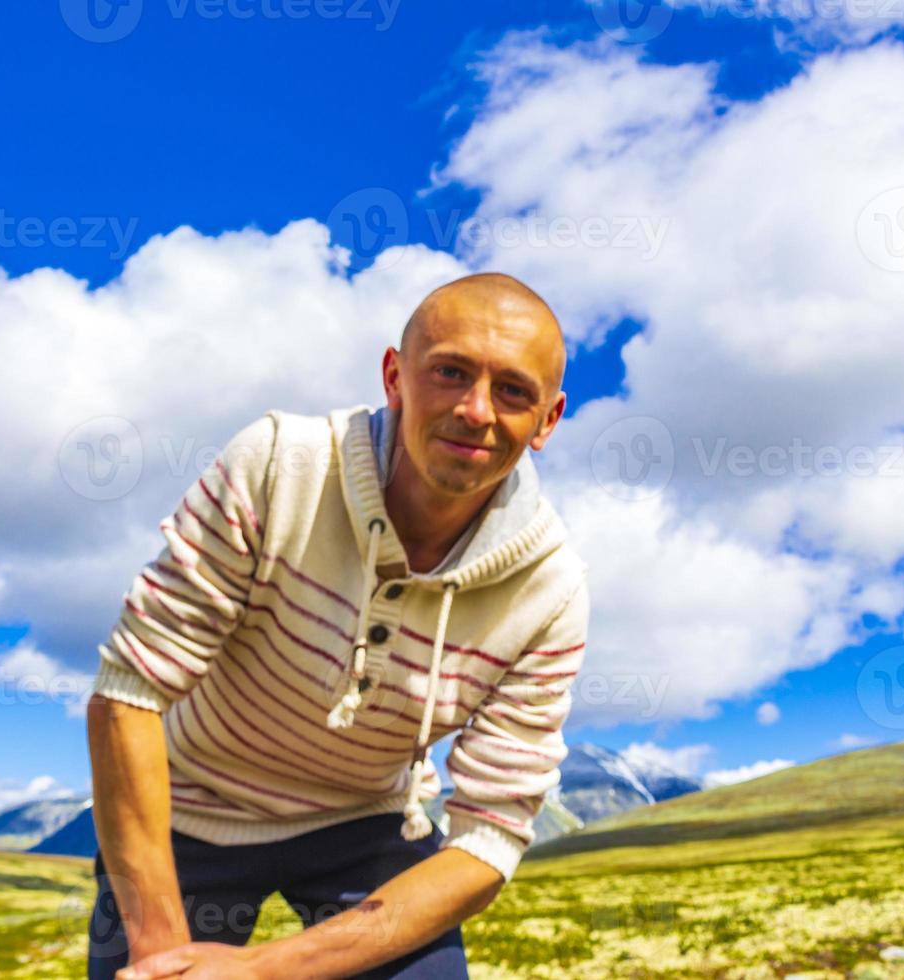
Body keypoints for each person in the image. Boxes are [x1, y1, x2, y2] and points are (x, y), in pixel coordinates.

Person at [86, 271, 592, 979]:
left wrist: (261, 972)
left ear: (548, 421)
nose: (476, 411)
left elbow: (489, 840)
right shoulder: (276, 465)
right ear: (395, 376)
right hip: (187, 800)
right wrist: (163, 956)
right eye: (449, 372)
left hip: (366, 823)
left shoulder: (553, 592)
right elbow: (128, 691)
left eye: (512, 391)